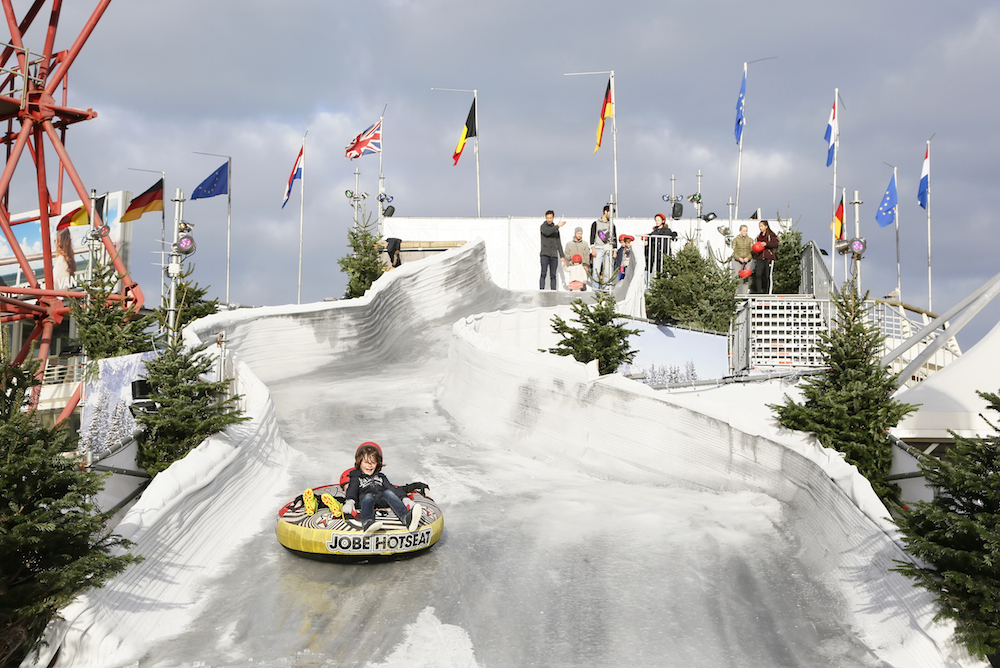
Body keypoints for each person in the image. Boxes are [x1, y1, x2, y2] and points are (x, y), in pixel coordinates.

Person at [341, 442, 423, 536]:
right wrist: (350, 501)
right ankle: (367, 523)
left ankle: (407, 518)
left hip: (380, 500)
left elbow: (392, 488)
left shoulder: (381, 477)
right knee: (368, 496)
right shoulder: (356, 476)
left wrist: (405, 498)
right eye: (366, 462)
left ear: (378, 464)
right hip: (364, 501)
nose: (370, 465)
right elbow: (352, 489)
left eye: (373, 462)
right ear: (359, 462)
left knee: (388, 492)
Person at [751, 220, 780, 295]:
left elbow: (776, 244)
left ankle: (768, 292)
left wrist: (766, 244)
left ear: (766, 226)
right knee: (758, 275)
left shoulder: (771, 235)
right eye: (759, 226)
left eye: (761, 226)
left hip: (768, 257)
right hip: (760, 257)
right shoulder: (759, 236)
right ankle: (759, 292)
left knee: (767, 276)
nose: (760, 228)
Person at [589, 205, 616, 284]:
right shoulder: (596, 223)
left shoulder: (612, 225)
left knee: (607, 271)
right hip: (598, 248)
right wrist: (593, 248)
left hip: (608, 249)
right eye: (610, 213)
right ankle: (596, 289)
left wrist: (615, 250)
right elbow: (592, 236)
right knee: (596, 271)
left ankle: (606, 288)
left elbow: (614, 237)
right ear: (605, 212)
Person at [539, 210, 566, 290]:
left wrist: (562, 255)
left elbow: (558, 242)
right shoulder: (543, 227)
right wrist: (558, 226)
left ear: (553, 218)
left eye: (550, 218)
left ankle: (553, 291)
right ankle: (541, 289)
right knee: (543, 273)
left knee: (553, 275)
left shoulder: (556, 229)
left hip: (553, 255)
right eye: (548, 218)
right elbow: (547, 232)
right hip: (545, 254)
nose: (549, 219)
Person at [644, 213, 676, 277]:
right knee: (658, 271)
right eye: (656, 220)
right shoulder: (654, 232)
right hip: (657, 255)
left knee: (665, 270)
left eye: (658, 220)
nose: (657, 222)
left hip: (665, 254)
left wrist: (674, 234)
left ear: (663, 221)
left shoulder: (667, 230)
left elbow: (672, 234)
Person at [730, 224, 753, 296]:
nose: (745, 232)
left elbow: (752, 251)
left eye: (746, 231)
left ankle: (745, 294)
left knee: (746, 278)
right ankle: (735, 294)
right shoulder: (736, 240)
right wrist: (738, 258)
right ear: (740, 231)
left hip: (747, 260)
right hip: (738, 260)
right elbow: (733, 251)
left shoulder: (750, 240)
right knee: (736, 277)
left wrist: (748, 258)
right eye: (743, 231)